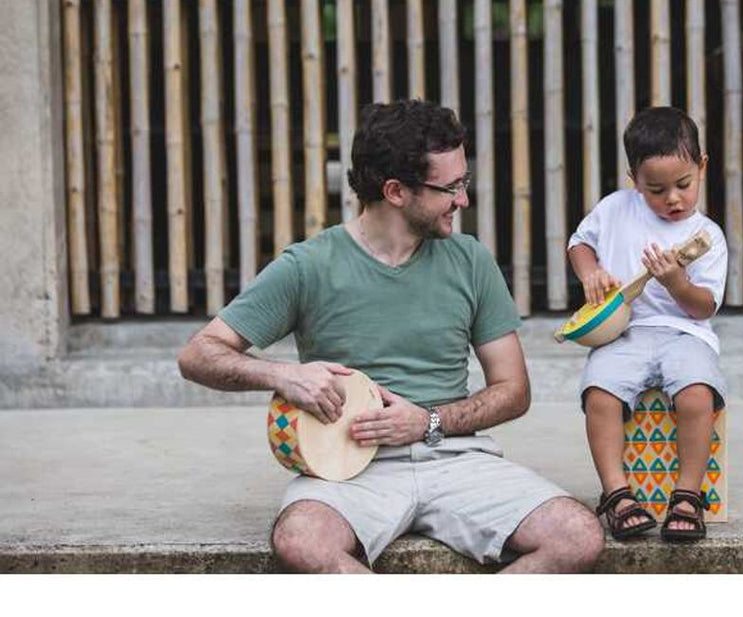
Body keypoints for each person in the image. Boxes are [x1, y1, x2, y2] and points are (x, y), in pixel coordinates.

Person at [179, 99, 604, 573]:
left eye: (464, 183)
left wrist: (429, 422)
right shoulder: (309, 265)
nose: (463, 200)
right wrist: (283, 375)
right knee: (300, 539)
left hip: (456, 457)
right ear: (397, 191)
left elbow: (514, 390)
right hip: (346, 469)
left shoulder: (471, 260)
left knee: (578, 534)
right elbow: (198, 355)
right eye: (451, 187)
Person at [567, 106, 728, 543]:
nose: (673, 199)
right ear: (633, 179)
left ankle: (687, 496)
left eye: (683, 185)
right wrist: (590, 273)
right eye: (656, 189)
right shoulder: (616, 210)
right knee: (599, 393)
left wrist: (677, 282)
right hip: (625, 330)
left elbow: (704, 308)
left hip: (684, 332)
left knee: (697, 395)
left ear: (702, 167)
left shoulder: (707, 237)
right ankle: (617, 495)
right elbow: (580, 244)